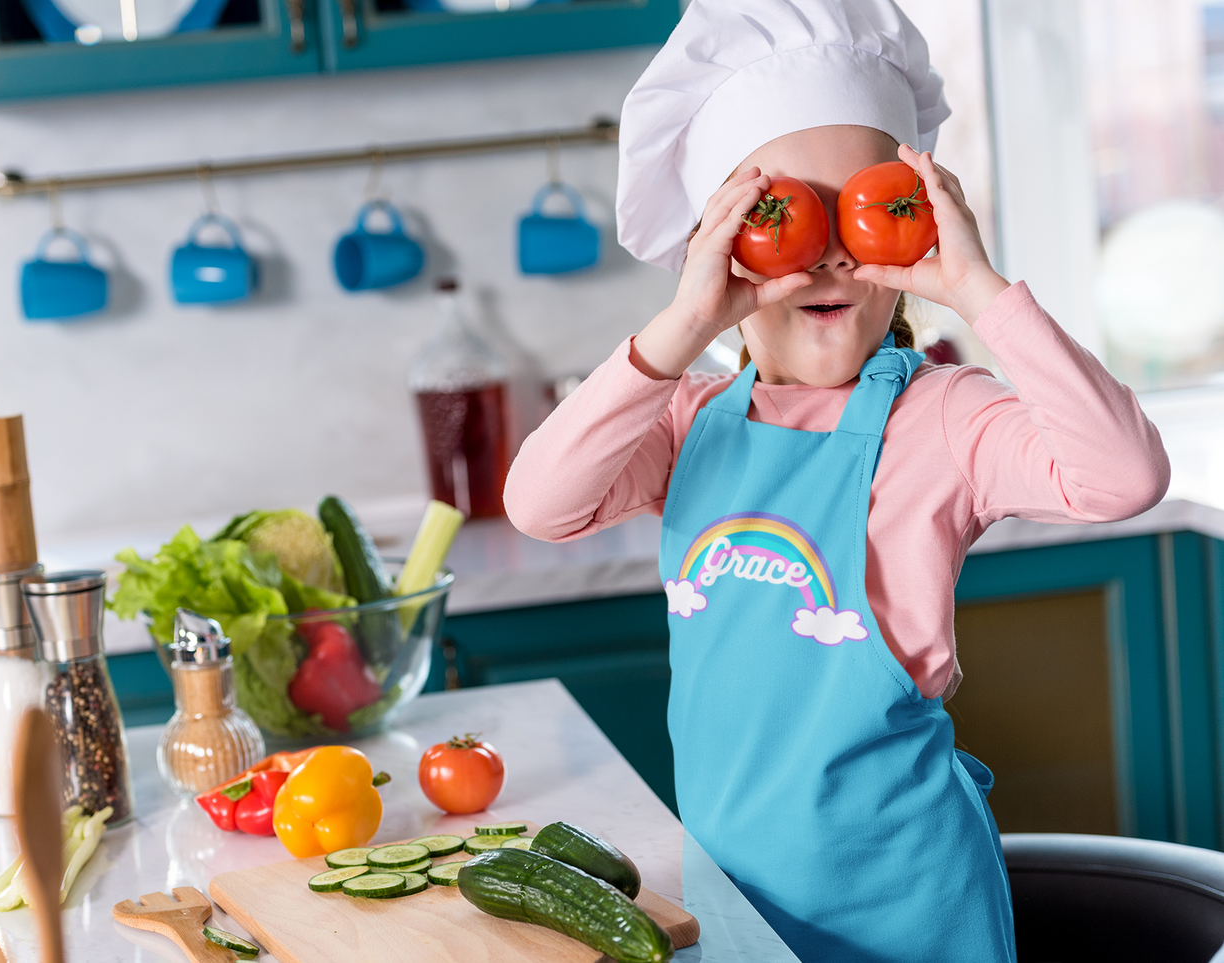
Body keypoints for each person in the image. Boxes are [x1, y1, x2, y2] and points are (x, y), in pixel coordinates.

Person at [502, 1, 1171, 960]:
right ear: (718, 241)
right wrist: (681, 327)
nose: (823, 253)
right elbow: (539, 502)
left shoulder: (939, 416)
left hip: (913, 909)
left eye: (867, 210)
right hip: (733, 903)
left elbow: (1124, 475)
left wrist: (977, 286)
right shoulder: (690, 420)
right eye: (784, 212)